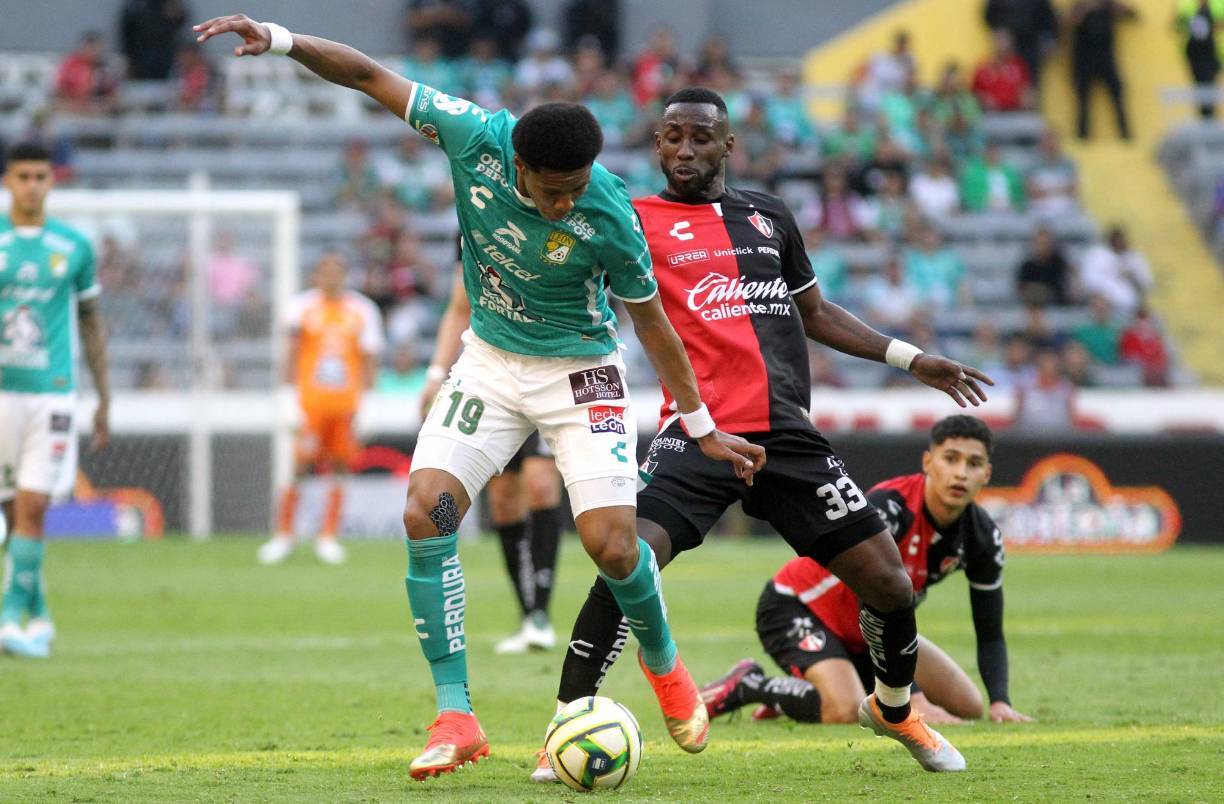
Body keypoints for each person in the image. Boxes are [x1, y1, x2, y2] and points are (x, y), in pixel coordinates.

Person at [195, 13, 763, 780]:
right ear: (518, 165)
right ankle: (456, 714)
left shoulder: (611, 213)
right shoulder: (474, 136)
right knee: (423, 508)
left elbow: (653, 325)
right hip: (490, 362)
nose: (565, 205)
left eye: (576, 192)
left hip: (582, 372)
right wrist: (282, 38)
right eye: (554, 191)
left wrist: (699, 425)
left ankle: (664, 665)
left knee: (612, 546)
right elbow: (367, 73)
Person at [538, 87, 996, 784]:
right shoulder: (630, 219)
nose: (684, 149)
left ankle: (896, 709)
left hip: (789, 439)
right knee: (628, 562)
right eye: (671, 137)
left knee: (891, 586)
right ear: (656, 145)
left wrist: (910, 358)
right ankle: (567, 722)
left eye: (699, 137)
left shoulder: (768, 215)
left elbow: (814, 311)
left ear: (728, 145)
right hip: (696, 435)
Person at [701, 416, 1031, 726]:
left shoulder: (982, 536)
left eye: (973, 464)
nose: (960, 473)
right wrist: (911, 698)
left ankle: (810, 690)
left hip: (873, 628)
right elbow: (871, 593)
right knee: (844, 709)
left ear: (986, 474)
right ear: (928, 462)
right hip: (797, 606)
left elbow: (990, 630)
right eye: (951, 459)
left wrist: (1000, 701)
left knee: (969, 706)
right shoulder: (892, 506)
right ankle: (752, 684)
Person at [419, 247, 566, 655]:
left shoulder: (554, 204)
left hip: (548, 369)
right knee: (503, 499)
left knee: (539, 484)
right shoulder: (474, 212)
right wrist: (436, 373)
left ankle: (539, 612)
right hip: (493, 378)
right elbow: (459, 304)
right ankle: (529, 616)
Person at [0, 142, 111, 658]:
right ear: (7, 181)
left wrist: (104, 397)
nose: (32, 185)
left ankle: (6, 618)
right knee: (13, 512)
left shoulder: (74, 246)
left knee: (34, 506)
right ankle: (37, 614)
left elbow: (91, 323)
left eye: (41, 176)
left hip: (52, 395)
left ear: (51, 182)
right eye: (23, 176)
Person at [257, 254, 384, 566]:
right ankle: (284, 534)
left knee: (341, 467)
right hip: (310, 405)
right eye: (325, 271)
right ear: (316, 275)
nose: (331, 277)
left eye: (336, 271)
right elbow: (290, 355)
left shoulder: (362, 310)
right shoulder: (301, 308)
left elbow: (369, 360)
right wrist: (287, 397)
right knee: (299, 467)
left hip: (346, 406)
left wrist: (370, 404)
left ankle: (328, 536)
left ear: (345, 275)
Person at [1070, 0, 1137, 140]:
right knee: (1083, 100)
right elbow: (1069, 22)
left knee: (1117, 96)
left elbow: (1132, 14)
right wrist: (1085, 9)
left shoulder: (1107, 5)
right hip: (1084, 60)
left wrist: (1111, 6)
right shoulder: (1079, 6)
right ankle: (1083, 137)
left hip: (1106, 59)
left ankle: (1126, 135)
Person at [1176, 0, 1224, 119]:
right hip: (1195, 54)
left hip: (1213, 53)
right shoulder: (1185, 6)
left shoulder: (1219, 4)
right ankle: (1206, 120)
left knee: (1209, 88)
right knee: (1200, 89)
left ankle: (1209, 120)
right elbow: (1177, 25)